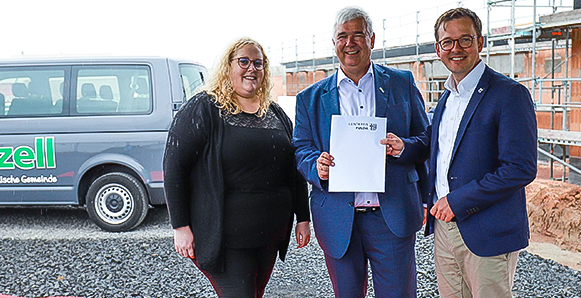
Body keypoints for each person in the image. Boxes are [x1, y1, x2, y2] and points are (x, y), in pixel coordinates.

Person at [381, 7, 538, 298]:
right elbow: (438, 143)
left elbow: (520, 168)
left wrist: (457, 201)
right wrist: (406, 147)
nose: (456, 48)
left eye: (465, 40)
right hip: (445, 228)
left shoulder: (508, 94)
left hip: (487, 230)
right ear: (438, 49)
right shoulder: (447, 96)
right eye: (448, 42)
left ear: (480, 42)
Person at [292, 6, 429, 298]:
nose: (350, 43)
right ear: (334, 43)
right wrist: (316, 166)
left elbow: (427, 138)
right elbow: (301, 148)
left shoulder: (402, 83)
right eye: (342, 36)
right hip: (339, 218)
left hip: (391, 215)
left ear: (372, 39)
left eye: (358, 35)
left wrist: (405, 147)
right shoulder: (310, 98)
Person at [163, 37, 311, 298]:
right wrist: (180, 226)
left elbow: (294, 168)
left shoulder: (274, 113)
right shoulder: (205, 108)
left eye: (258, 63)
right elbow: (174, 166)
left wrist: (303, 217)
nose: (251, 68)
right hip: (225, 240)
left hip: (268, 236)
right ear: (227, 66)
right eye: (243, 61)